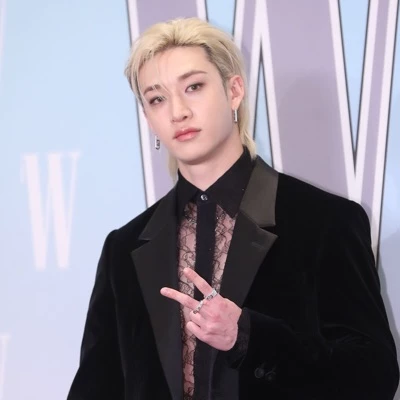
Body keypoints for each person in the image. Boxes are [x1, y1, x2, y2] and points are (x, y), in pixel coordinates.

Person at [67, 17, 399, 400]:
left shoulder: (324, 222)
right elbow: (95, 387)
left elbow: (373, 375)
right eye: (157, 98)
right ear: (147, 117)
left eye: (193, 87)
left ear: (234, 90)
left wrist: (249, 336)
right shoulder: (124, 248)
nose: (178, 111)